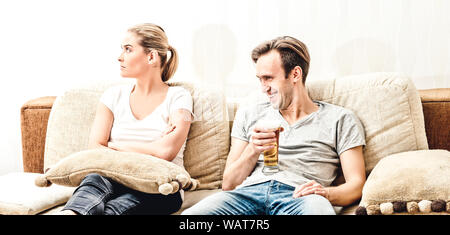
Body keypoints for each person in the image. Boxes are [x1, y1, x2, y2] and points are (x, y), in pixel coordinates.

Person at [182, 36, 366, 215]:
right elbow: (228, 184)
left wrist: (325, 193)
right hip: (247, 195)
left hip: (302, 196)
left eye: (268, 78)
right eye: (259, 79)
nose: (263, 88)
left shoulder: (340, 119)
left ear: (295, 74)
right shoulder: (249, 114)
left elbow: (356, 185)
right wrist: (253, 150)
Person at [57, 23, 193, 215]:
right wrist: (151, 147)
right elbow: (95, 148)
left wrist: (117, 147)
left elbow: (165, 152)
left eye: (128, 49)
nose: (120, 56)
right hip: (111, 177)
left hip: (158, 185)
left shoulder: (179, 97)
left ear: (151, 56)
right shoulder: (112, 96)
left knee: (114, 211)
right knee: (92, 183)